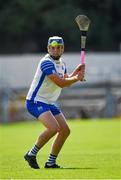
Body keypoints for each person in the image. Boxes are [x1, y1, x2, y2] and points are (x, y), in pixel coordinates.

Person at [24, 36, 85, 169]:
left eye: (59, 48)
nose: (56, 50)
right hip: (35, 101)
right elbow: (60, 83)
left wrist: (76, 72)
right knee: (53, 128)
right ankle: (31, 154)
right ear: (48, 49)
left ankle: (51, 163)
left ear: (62, 49)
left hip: (49, 102)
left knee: (65, 131)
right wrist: (76, 78)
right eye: (53, 48)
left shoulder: (61, 63)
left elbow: (64, 78)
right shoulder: (46, 62)